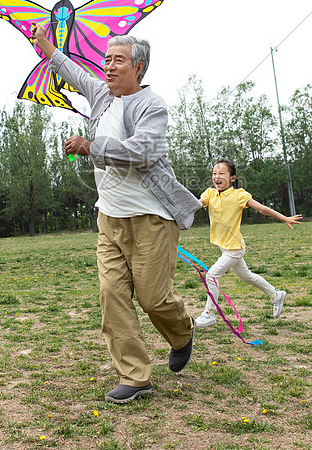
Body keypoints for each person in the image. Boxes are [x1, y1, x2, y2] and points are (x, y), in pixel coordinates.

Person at [29, 23, 202, 404]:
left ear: (138, 68)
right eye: (106, 59)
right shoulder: (101, 96)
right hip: (109, 218)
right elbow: (73, 71)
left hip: (151, 219)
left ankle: (182, 332)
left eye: (118, 60)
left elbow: (143, 152)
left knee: (153, 298)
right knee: (112, 295)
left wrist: (92, 146)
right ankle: (135, 377)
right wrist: (46, 47)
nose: (108, 67)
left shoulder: (151, 106)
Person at [194, 159, 302, 328]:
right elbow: (194, 205)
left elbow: (262, 209)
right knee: (246, 276)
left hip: (234, 248)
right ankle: (276, 295)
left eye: (222, 173)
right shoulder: (209, 194)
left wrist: (284, 218)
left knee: (212, 275)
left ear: (232, 178)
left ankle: (209, 313)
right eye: (214, 173)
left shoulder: (239, 195)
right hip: (225, 248)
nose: (217, 176)